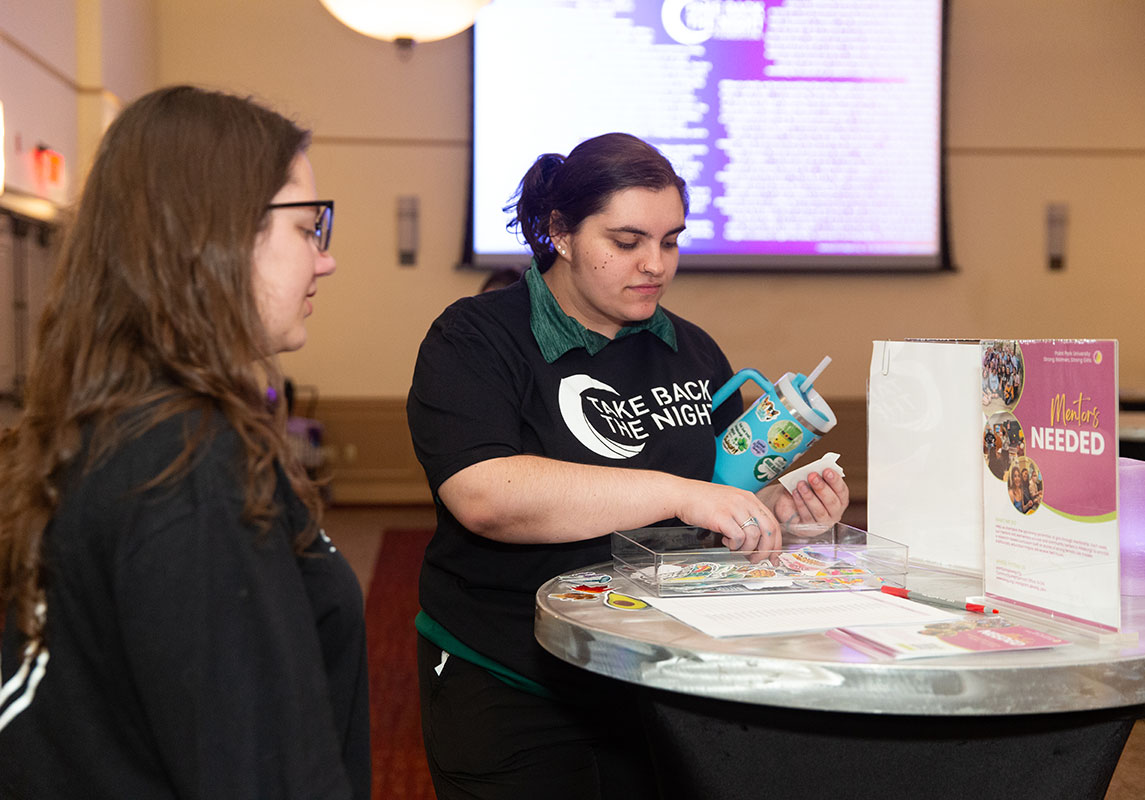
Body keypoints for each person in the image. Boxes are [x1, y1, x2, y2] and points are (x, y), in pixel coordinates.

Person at [407, 132, 848, 799]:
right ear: (560, 231)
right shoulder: (476, 337)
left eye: (670, 241)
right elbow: (487, 496)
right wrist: (677, 493)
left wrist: (781, 514)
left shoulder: (691, 350)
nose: (655, 265)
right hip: (509, 674)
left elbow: (722, 492)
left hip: (656, 674)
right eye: (627, 241)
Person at [0, 86, 369, 799]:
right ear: (217, 234)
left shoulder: (112, 416)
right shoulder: (188, 461)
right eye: (308, 226)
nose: (325, 260)